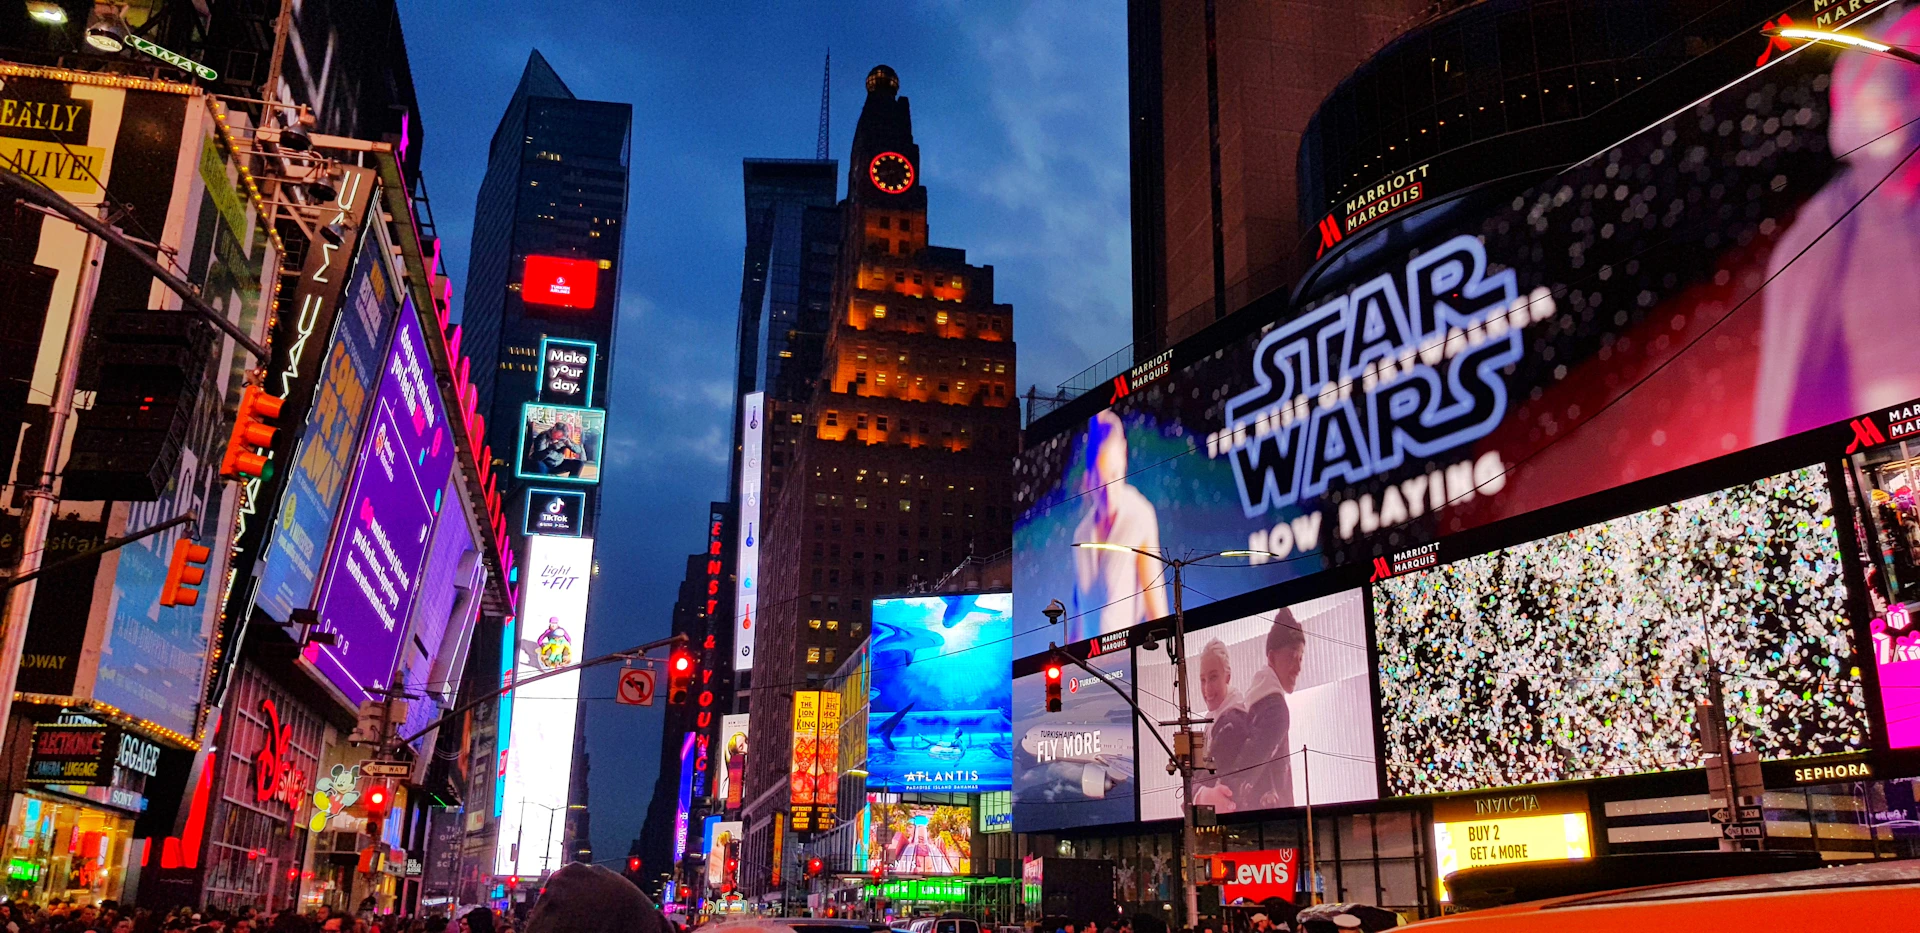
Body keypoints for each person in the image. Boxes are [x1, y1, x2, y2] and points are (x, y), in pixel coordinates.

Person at [1071, 410, 1167, 639]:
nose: (1110, 492)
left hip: (1128, 662)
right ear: (1090, 477)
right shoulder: (1081, 534)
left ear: (1124, 458)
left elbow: (1157, 613)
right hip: (1090, 669)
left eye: (1115, 475)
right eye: (1101, 481)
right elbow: (1077, 621)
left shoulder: (1140, 516)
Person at [1210, 610, 1305, 810]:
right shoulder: (1275, 711)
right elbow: (1244, 775)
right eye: (1291, 657)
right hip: (1273, 827)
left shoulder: (1253, 704)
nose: (1297, 667)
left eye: (1300, 659)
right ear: (1271, 657)